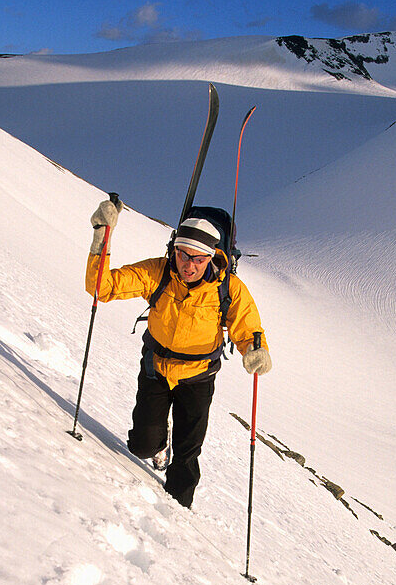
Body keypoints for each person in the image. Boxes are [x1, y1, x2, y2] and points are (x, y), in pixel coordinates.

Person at [86, 197, 271, 508]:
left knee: (187, 453)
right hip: (156, 368)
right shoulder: (158, 272)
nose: (188, 264)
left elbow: (247, 327)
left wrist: (256, 350)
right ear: (173, 249)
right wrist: (101, 237)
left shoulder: (229, 288)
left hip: (198, 378)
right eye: (182, 255)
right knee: (142, 446)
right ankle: (158, 445)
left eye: (198, 258)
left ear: (212, 257)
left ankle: (178, 512)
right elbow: (101, 288)